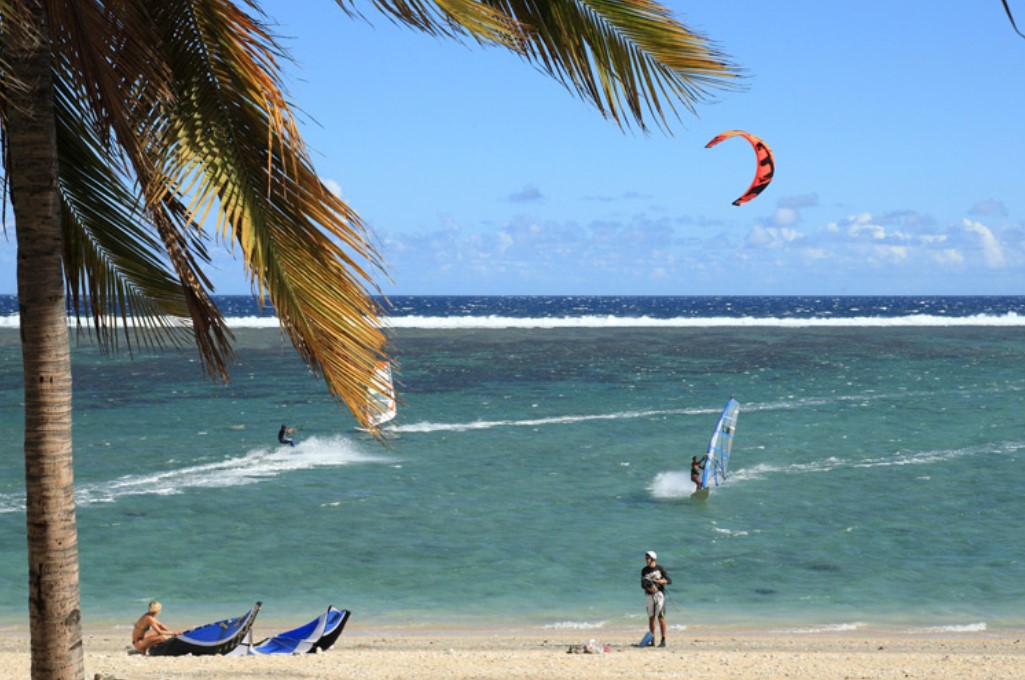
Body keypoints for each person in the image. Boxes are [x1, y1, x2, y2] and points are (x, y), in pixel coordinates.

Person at [641, 550, 672, 647]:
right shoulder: (644, 570)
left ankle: (663, 640)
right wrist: (649, 589)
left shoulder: (660, 569)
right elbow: (642, 584)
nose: (646, 560)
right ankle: (652, 639)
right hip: (649, 596)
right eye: (645, 558)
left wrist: (663, 581)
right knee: (651, 618)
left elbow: (669, 580)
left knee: (660, 617)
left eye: (648, 558)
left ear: (653, 559)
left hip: (659, 596)